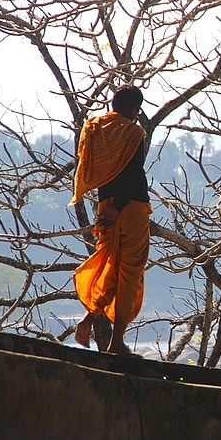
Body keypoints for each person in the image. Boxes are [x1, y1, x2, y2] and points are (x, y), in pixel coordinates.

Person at [68, 86, 152, 354]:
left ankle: (89, 317)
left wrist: (110, 207)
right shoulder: (133, 132)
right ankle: (116, 342)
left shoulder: (95, 128)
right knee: (130, 273)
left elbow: (91, 168)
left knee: (109, 263)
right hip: (131, 207)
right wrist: (120, 206)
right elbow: (134, 174)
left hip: (104, 206)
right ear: (133, 110)